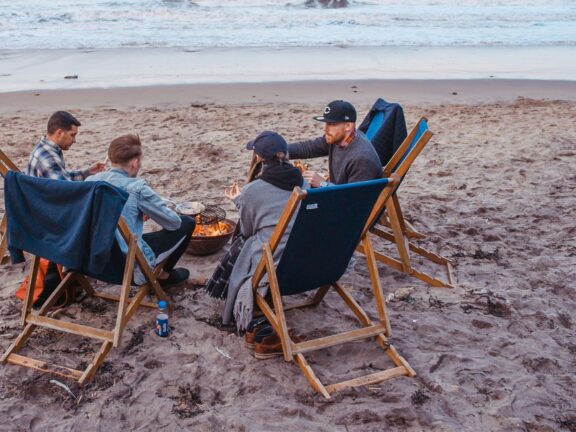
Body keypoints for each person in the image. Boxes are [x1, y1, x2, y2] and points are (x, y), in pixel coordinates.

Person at [206, 131, 308, 340]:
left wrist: (240, 200)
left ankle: (229, 305)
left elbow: (247, 231)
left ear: (259, 158)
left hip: (273, 264)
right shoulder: (304, 184)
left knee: (242, 243)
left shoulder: (253, 190)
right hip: (302, 261)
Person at [86, 134, 195, 287]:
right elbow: (173, 223)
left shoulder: (89, 182)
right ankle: (164, 275)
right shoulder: (137, 188)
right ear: (135, 162)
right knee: (187, 223)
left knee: (132, 234)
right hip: (125, 267)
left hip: (92, 262)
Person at [288, 100, 382, 187]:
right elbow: (308, 148)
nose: (325, 129)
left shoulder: (361, 158)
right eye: (326, 123)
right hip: (338, 193)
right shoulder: (337, 139)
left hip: (348, 202)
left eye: (331, 124)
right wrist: (280, 150)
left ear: (348, 126)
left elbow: (354, 199)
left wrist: (322, 183)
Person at [26, 110, 106, 180]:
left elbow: (63, 177)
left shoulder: (43, 147)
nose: (74, 140)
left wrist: (88, 173)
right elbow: (66, 191)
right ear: (59, 133)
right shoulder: (49, 157)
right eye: (72, 135)